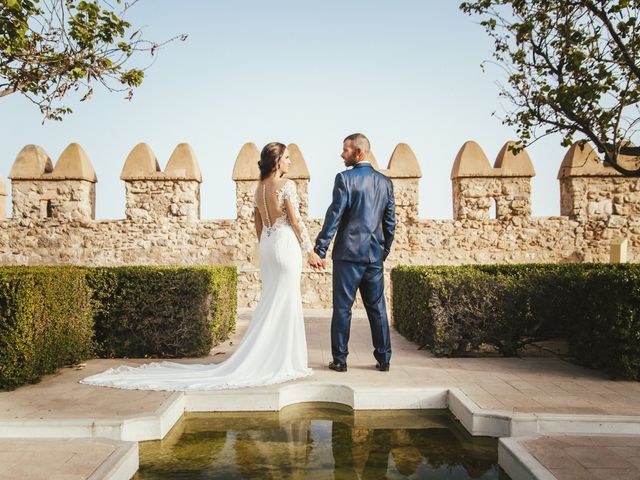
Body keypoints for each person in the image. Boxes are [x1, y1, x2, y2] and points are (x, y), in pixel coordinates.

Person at [80, 142, 313, 391]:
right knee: (286, 300)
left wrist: (267, 245)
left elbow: (258, 226)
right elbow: (296, 221)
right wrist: (309, 251)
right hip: (285, 244)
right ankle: (284, 360)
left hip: (267, 246)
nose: (290, 162)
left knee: (271, 300)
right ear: (277, 161)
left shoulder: (258, 190)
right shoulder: (286, 186)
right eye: (287, 158)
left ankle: (267, 356)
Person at [309, 133, 396, 373]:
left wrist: (321, 248)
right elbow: (390, 223)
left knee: (342, 309)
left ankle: (340, 360)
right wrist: (382, 251)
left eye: (345, 150)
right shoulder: (385, 182)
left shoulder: (345, 179)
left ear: (359, 152)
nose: (341, 154)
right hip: (373, 257)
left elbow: (334, 215)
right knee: (377, 309)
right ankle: (384, 359)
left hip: (348, 256)